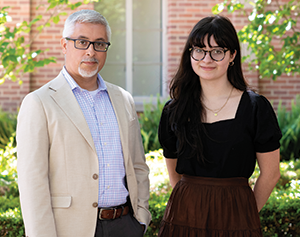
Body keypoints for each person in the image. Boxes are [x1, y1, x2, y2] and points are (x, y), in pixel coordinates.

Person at [17, 9, 151, 237]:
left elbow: (138, 165)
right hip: (69, 230)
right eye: (82, 42)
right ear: (64, 45)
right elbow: (32, 182)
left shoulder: (123, 99)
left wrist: (141, 218)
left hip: (125, 226)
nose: (91, 51)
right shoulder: (39, 102)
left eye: (99, 44)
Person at [158, 15, 282, 236]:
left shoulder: (255, 108)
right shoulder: (174, 110)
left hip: (237, 216)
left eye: (217, 51)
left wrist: (246, 212)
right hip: (185, 216)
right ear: (190, 54)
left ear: (232, 55)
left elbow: (271, 173)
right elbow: (174, 174)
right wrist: (192, 203)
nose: (207, 59)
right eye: (199, 50)